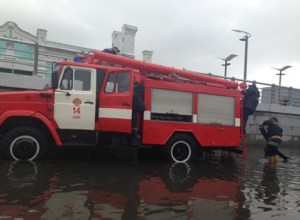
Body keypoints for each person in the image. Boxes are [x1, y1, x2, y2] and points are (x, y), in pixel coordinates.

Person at [131, 80, 146, 145]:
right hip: (136, 107)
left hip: (134, 107)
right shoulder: (136, 85)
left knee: (134, 123)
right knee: (134, 123)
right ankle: (133, 137)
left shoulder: (127, 83)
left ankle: (133, 138)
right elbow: (143, 88)